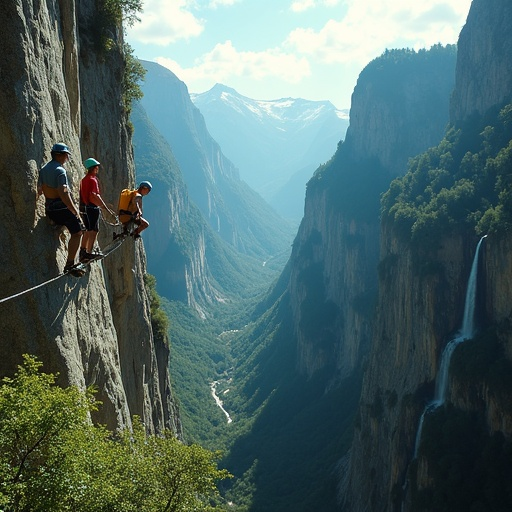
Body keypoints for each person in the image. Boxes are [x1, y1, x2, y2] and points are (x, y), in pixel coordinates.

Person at [37, 142, 86, 277]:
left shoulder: (44, 169)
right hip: (60, 208)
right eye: (66, 155)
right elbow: (63, 193)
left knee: (69, 222)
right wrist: (74, 209)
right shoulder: (60, 171)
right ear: (60, 155)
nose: (67, 158)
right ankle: (70, 264)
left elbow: (40, 190)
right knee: (78, 232)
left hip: (50, 208)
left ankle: (57, 225)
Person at [79, 157, 116, 262]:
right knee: (92, 230)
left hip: (85, 207)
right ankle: (86, 252)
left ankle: (85, 251)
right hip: (92, 207)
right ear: (94, 168)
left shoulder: (84, 179)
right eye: (97, 167)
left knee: (90, 230)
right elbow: (94, 195)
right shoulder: (92, 179)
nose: (98, 169)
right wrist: (104, 206)